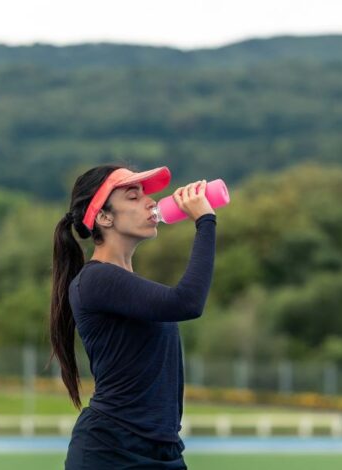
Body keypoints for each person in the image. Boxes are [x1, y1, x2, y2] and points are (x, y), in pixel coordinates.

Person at [49, 164, 216, 469]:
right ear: (104, 217)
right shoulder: (96, 280)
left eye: (145, 195)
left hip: (162, 450)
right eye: (133, 197)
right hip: (111, 452)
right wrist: (205, 221)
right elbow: (188, 303)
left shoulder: (129, 287)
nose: (151, 202)